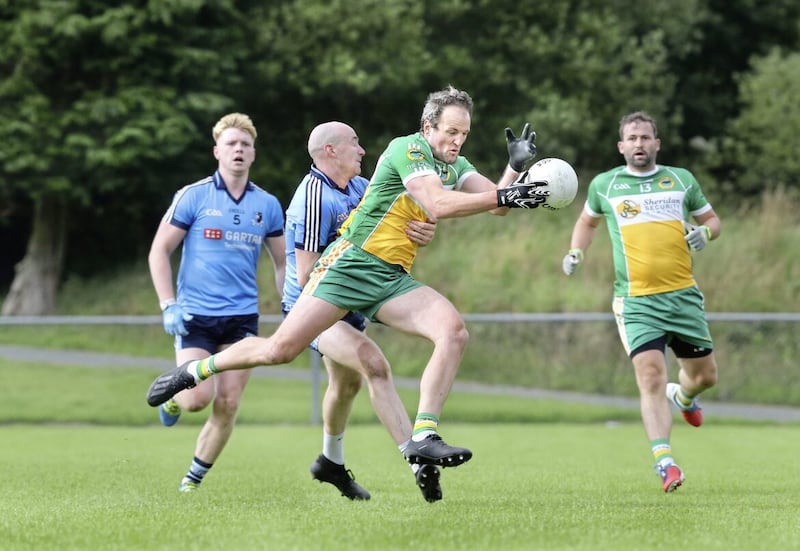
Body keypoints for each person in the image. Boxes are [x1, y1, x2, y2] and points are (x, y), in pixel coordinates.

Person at [146, 85, 542, 483]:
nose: (457, 140)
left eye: (464, 134)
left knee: (453, 332)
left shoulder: (455, 165)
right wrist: (511, 193)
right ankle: (196, 369)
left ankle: (423, 435)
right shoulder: (409, 150)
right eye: (450, 132)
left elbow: (498, 204)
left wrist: (515, 170)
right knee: (279, 350)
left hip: (389, 277)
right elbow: (439, 203)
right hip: (348, 267)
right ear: (428, 127)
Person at [561, 111, 720, 493]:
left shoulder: (681, 179)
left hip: (682, 296)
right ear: (621, 146)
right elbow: (586, 222)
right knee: (650, 376)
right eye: (632, 138)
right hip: (636, 302)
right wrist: (576, 252)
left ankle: (683, 397)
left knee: (705, 377)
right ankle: (665, 462)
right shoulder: (605, 185)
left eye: (645, 137)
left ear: (657, 143)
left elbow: (713, 220)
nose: (639, 144)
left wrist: (704, 234)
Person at [285, 121, 442, 502]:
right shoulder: (312, 195)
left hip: (350, 298)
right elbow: (307, 274)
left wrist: (423, 230)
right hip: (314, 302)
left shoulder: (360, 187)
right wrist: (362, 279)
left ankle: (330, 462)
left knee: (346, 384)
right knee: (373, 364)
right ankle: (417, 460)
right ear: (330, 151)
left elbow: (402, 222)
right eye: (355, 142)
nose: (362, 149)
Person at [147, 112, 286, 492]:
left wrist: (292, 302)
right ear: (217, 151)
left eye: (245, 145)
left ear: (253, 154)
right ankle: (174, 399)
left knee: (227, 403)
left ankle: (192, 480)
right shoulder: (194, 196)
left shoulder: (268, 205)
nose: (238, 150)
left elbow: (283, 262)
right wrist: (167, 305)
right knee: (196, 402)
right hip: (195, 316)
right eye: (231, 144)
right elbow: (159, 251)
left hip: (242, 320)